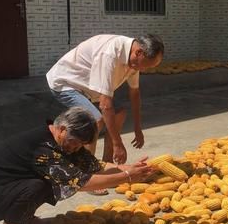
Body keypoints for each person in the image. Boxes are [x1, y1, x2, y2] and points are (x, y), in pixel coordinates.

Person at [0, 107, 155, 224]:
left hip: (6, 190)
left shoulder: (65, 142)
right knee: (38, 186)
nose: (75, 148)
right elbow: (82, 182)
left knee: (44, 183)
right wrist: (127, 176)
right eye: (74, 142)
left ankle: (23, 220)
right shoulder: (44, 149)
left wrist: (129, 167)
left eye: (80, 145)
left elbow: (95, 166)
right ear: (62, 129)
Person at [47, 34, 164, 167]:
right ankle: (86, 168)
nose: (143, 69)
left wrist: (137, 128)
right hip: (67, 82)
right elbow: (105, 105)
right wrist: (117, 144)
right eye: (145, 66)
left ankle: (106, 163)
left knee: (119, 112)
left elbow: (135, 93)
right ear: (138, 52)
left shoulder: (134, 60)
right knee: (95, 120)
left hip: (89, 87)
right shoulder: (110, 54)